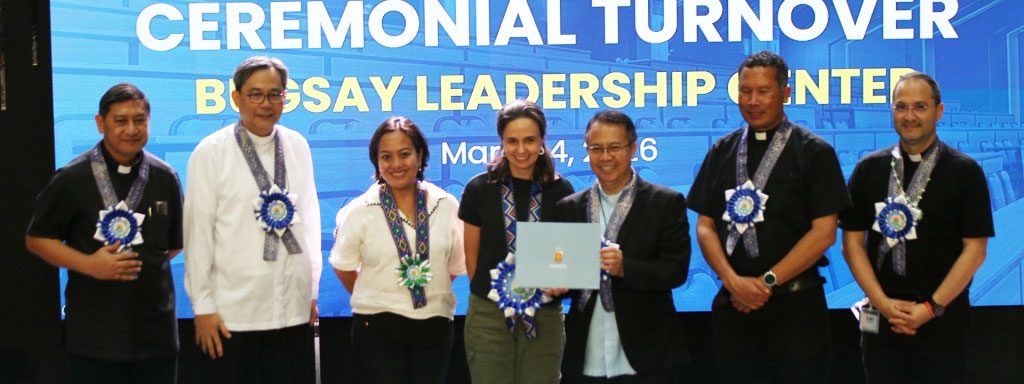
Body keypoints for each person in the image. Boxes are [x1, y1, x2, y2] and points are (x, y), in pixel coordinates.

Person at [687, 51, 850, 383]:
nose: (753, 100)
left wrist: (765, 283)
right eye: (745, 91)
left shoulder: (815, 152)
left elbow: (824, 234)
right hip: (734, 305)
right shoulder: (721, 150)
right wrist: (733, 283)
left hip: (796, 308)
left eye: (763, 91)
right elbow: (705, 226)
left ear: (785, 94)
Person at [840, 72, 993, 383]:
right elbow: (852, 244)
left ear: (938, 111)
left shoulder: (965, 171)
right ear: (892, 111)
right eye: (901, 106)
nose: (909, 116)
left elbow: (975, 250)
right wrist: (882, 303)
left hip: (943, 320)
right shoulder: (868, 169)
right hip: (881, 320)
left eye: (920, 107)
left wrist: (930, 307)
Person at [26, 83, 183, 383]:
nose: (131, 129)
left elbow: (175, 243)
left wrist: (143, 262)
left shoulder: (165, 176)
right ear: (101, 123)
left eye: (140, 120)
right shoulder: (72, 177)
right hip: (95, 338)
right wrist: (89, 265)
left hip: (158, 335)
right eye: (120, 120)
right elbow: (37, 239)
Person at [183, 56, 321, 384]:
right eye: (256, 94)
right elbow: (197, 233)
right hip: (233, 316)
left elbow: (311, 222)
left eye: (275, 94)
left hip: (291, 308)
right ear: (236, 98)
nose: (266, 104)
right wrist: (202, 306)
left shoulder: (298, 145)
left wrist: (311, 289)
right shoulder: (210, 152)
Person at [556, 110, 690, 383]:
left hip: (647, 351)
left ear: (633, 148)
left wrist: (624, 267)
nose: (605, 157)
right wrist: (553, 284)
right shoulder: (568, 207)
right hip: (584, 352)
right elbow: (564, 275)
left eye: (614, 147)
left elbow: (675, 271)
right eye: (596, 148)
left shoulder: (665, 202)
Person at [330, 116, 466, 384]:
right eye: (386, 157)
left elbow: (452, 267)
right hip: (376, 327)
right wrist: (377, 295)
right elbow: (342, 265)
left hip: (434, 324)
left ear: (421, 155)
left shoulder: (446, 204)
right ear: (377, 162)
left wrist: (425, 289)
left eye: (404, 154)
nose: (396, 164)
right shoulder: (360, 210)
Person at [458, 100, 574, 384]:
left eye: (529, 140)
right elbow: (472, 258)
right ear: (502, 143)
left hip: (544, 314)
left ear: (542, 142)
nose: (521, 150)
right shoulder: (479, 188)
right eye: (512, 141)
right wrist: (494, 294)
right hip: (489, 314)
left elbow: (567, 259)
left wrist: (563, 278)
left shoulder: (561, 190)